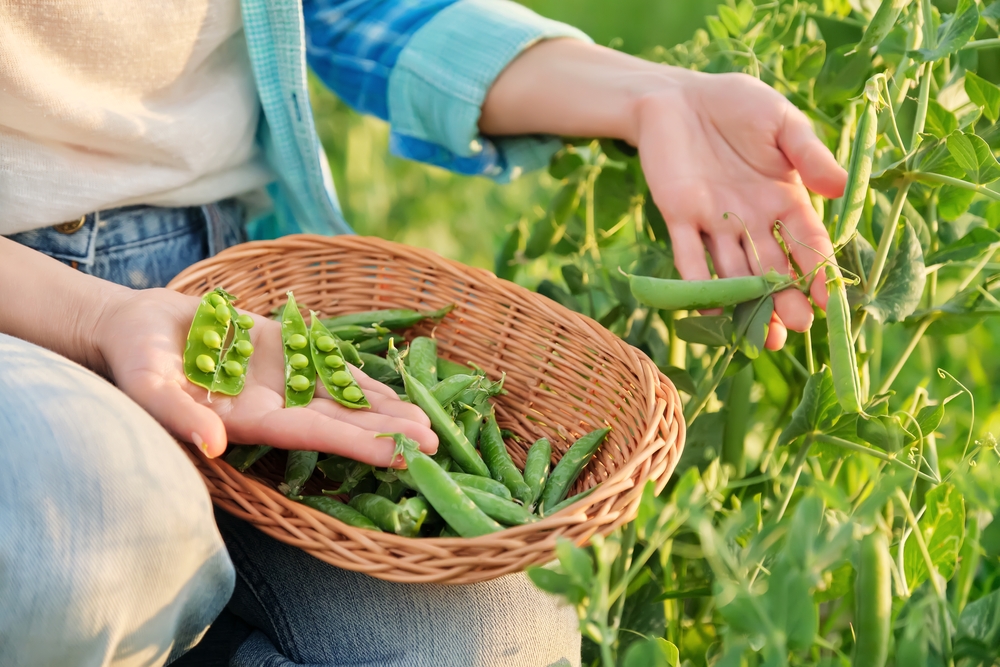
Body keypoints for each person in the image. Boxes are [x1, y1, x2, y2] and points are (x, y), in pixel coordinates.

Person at [0, 1, 847, 665]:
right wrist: (94, 314)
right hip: (19, 300)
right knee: (80, 541)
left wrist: (649, 92)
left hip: (230, 284)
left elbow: (349, 8)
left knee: (487, 640)